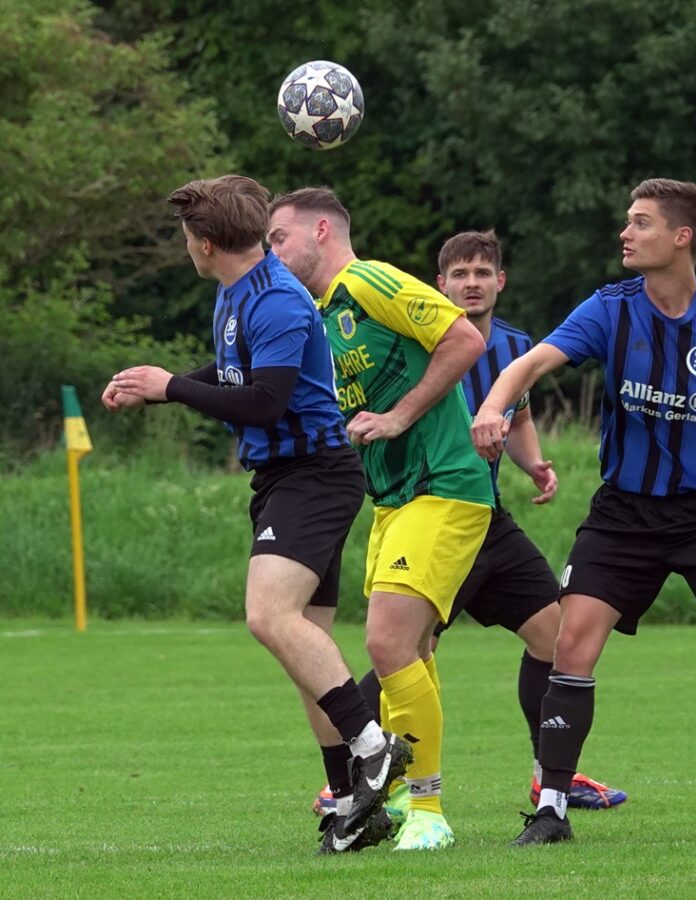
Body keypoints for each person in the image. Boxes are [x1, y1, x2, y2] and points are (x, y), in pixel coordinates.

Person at [471, 178, 696, 846]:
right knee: (572, 645)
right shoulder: (610, 308)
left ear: (681, 237)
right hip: (622, 517)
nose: (625, 234)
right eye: (627, 221)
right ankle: (551, 812)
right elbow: (530, 365)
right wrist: (492, 406)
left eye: (640, 223)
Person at [103, 174, 411, 855]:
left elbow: (266, 402)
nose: (187, 247)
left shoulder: (274, 299)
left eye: (187, 237)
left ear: (205, 243)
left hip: (314, 476)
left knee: (268, 616)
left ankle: (373, 747)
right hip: (284, 478)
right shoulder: (237, 291)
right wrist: (156, 386)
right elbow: (238, 375)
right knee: (308, 647)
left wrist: (171, 387)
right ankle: (351, 804)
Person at [315, 230, 626, 817]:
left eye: (483, 273)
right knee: (402, 647)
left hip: (488, 518)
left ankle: (549, 776)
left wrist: (534, 465)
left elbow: (518, 416)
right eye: (460, 275)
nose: (472, 283)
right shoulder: (418, 331)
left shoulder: (515, 347)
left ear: (500, 282)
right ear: (441, 286)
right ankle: (354, 777)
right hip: (435, 508)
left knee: (555, 637)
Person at [266, 188, 495, 851]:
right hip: (394, 500)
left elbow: (465, 338)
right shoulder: (320, 313)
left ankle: (428, 811)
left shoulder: (369, 281)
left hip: (443, 486)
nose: (271, 253)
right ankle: (399, 799)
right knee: (409, 652)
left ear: (320, 230)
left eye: (278, 238)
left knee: (387, 643)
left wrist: (399, 416)